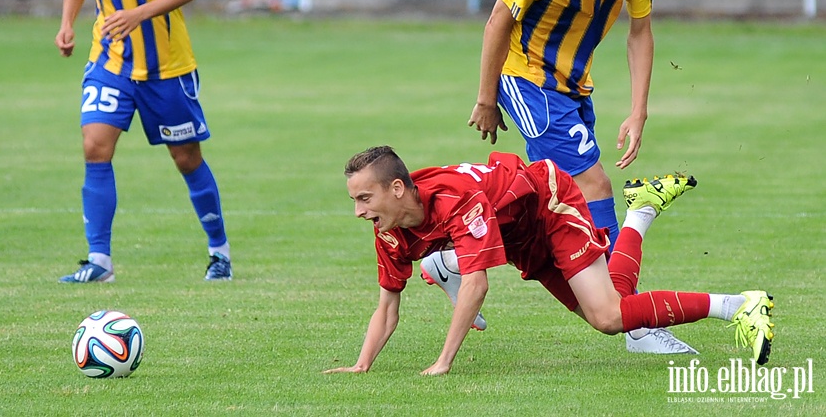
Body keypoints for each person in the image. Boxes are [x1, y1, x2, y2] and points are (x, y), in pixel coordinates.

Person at [421, 0, 688, 353]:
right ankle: (630, 319)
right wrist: (484, 97)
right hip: (526, 79)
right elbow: (498, 20)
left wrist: (639, 108)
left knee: (542, 199)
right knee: (593, 184)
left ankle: (452, 260)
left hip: (574, 85)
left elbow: (640, 31)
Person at [326, 146, 774, 376]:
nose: (359, 211)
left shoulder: (455, 201)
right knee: (612, 311)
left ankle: (740, 306)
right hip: (520, 235)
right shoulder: (388, 231)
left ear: (398, 189)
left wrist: (444, 361)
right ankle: (640, 211)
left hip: (548, 202)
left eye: (365, 198)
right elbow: (387, 305)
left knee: (607, 315)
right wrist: (362, 364)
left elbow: (478, 285)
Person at [54, 0, 232, 283]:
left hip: (165, 67)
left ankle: (220, 253)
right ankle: (100, 262)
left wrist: (137, 14)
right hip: (109, 58)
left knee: (186, 157)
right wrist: (67, 23)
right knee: (95, 146)